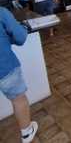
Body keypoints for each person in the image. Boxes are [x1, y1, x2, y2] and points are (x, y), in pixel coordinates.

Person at [0, 7, 38, 142]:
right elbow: (20, 37)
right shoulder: (2, 12)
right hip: (4, 67)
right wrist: (23, 27)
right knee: (18, 100)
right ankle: (27, 134)